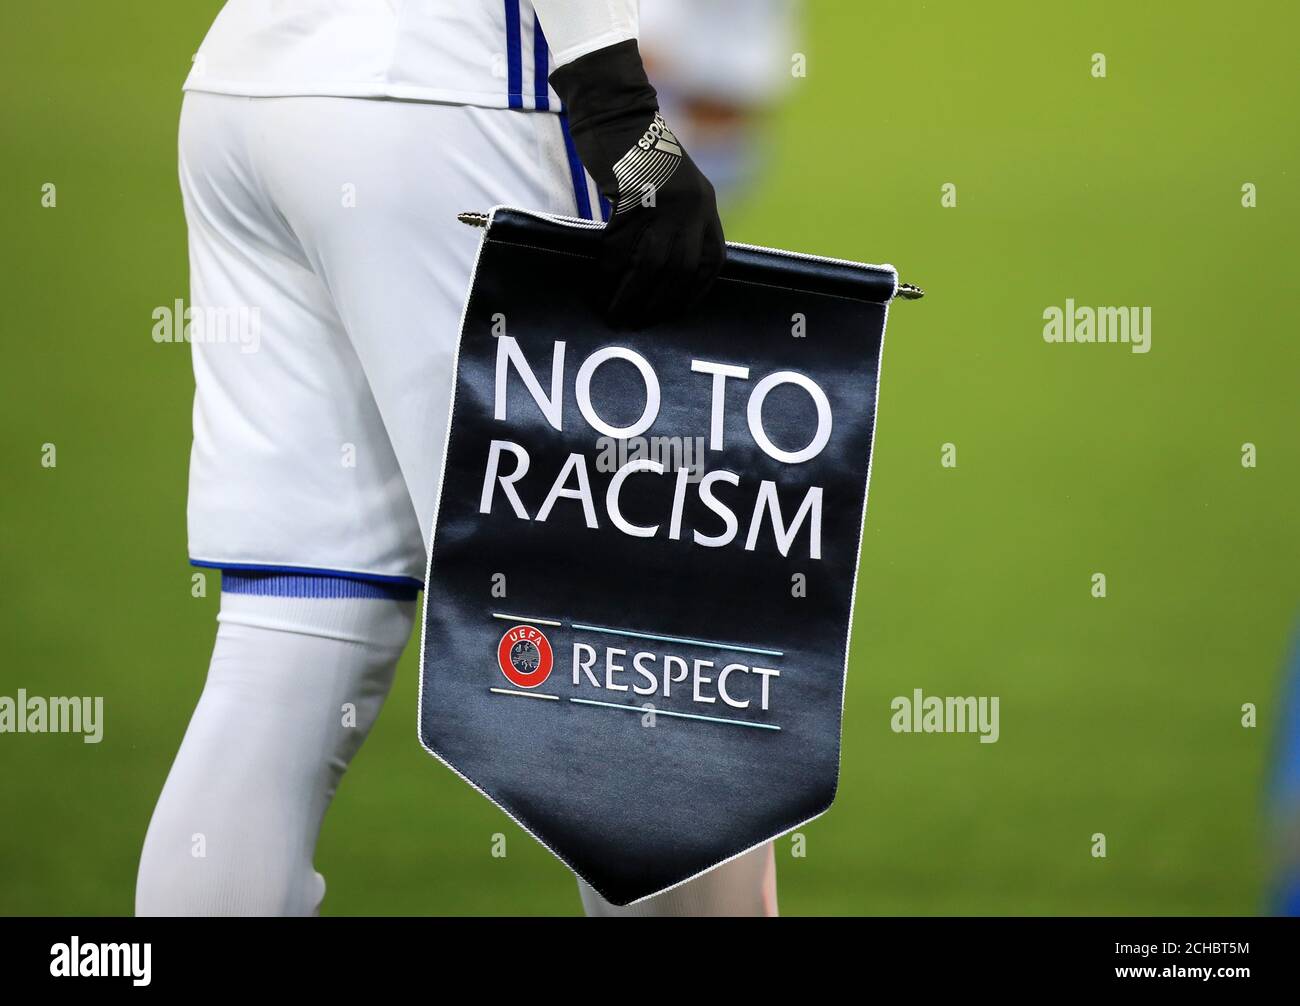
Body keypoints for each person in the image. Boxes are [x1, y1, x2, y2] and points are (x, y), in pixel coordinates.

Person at [136, 0, 777, 917]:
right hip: (456, 95)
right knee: (629, 632)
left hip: (248, 87)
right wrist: (628, 126)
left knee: (301, 625)